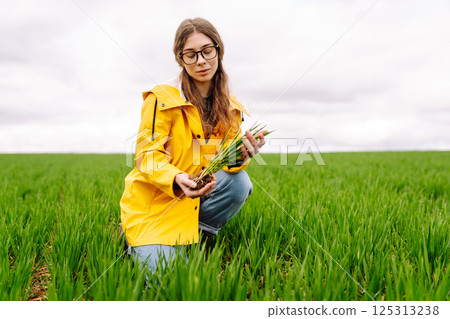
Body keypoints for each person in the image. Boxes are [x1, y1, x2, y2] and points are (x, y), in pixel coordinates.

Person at [120, 17, 267, 273]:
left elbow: (223, 162)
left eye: (207, 51)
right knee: (176, 281)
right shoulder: (161, 100)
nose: (201, 61)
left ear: (218, 51)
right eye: (190, 55)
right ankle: (136, 239)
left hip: (194, 201)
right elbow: (146, 156)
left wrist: (242, 154)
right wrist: (177, 178)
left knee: (240, 181)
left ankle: (193, 237)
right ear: (181, 59)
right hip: (156, 207)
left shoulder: (230, 108)